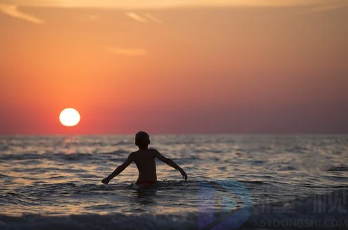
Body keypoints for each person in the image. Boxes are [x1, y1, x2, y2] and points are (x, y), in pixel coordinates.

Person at [102, 131, 188, 186]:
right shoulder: (153, 152)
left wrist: (108, 178)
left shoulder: (134, 155)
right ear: (149, 142)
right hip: (151, 183)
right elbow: (167, 161)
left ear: (136, 143)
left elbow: (121, 168)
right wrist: (180, 170)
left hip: (139, 183)